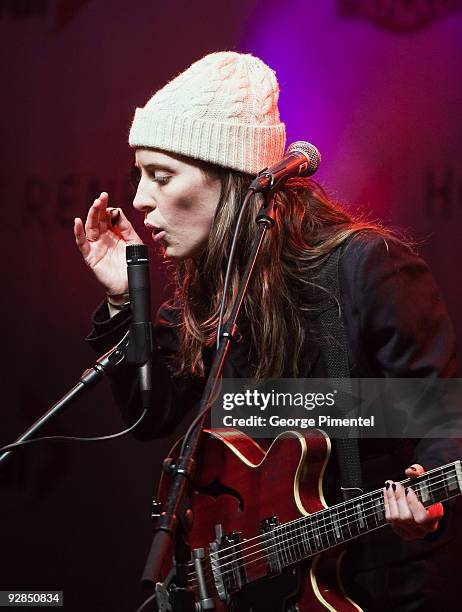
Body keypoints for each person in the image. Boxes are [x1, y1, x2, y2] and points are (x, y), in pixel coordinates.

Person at [74, 52, 460, 611]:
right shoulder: (212, 290)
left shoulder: (366, 268)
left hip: (381, 582)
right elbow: (148, 413)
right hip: (273, 589)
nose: (139, 198)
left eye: (160, 176)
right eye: (139, 175)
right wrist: (121, 299)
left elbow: (441, 415)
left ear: (231, 179)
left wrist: (425, 498)